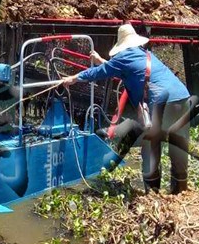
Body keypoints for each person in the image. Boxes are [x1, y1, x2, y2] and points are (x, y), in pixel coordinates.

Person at [62, 23, 191, 194]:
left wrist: (74, 78)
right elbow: (125, 69)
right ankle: (180, 191)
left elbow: (97, 73)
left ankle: (152, 194)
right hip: (183, 98)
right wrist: (101, 61)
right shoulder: (146, 54)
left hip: (164, 104)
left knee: (149, 147)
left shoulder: (123, 58)